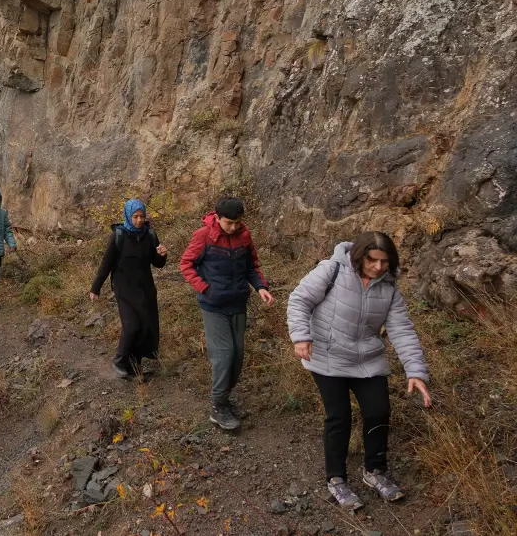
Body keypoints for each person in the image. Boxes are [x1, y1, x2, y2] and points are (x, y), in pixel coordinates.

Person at [287, 232, 430, 512]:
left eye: (384, 262)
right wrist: (301, 336)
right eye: (372, 260)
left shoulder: (388, 288)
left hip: (367, 358)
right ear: (360, 255)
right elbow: (299, 300)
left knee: (379, 411)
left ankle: (375, 471)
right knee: (339, 416)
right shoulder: (332, 269)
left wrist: (415, 370)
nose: (378, 267)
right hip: (327, 357)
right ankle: (336, 479)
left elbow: (402, 330)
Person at [179, 196, 274, 430]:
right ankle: (217, 406)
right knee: (224, 354)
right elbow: (186, 264)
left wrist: (260, 287)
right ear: (218, 218)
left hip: (238, 303)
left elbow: (252, 266)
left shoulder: (244, 235)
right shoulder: (204, 236)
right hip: (213, 306)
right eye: (229, 223)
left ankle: (224, 399)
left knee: (238, 355)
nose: (233, 227)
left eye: (238, 222)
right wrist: (204, 289)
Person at [89, 199, 169, 379]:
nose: (139, 220)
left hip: (145, 288)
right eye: (135, 217)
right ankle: (119, 360)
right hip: (124, 288)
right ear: (128, 216)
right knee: (132, 325)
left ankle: (134, 364)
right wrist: (96, 287)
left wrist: (162, 255)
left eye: (142, 216)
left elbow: (157, 264)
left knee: (145, 326)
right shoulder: (119, 235)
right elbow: (106, 263)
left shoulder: (150, 235)